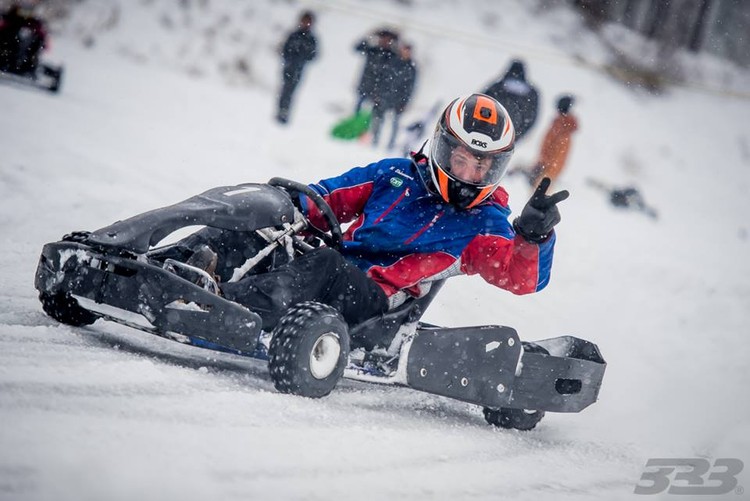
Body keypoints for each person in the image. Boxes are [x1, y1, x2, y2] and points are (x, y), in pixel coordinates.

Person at [181, 94, 569, 351]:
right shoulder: (397, 176)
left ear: (495, 168)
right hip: (322, 272)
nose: (468, 173)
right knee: (262, 226)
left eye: (481, 165)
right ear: (442, 148)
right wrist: (282, 209)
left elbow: (520, 277)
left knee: (327, 265)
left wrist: (534, 235)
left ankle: (219, 308)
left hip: (375, 305)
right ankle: (171, 265)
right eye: (461, 158)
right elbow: (324, 200)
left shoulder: (485, 222)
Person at [370, 42, 418, 150]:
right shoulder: (392, 62)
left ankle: (390, 145)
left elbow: (410, 88)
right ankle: (374, 141)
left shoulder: (411, 68)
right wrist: (377, 93)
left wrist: (404, 102)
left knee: (395, 124)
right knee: (378, 119)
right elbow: (382, 78)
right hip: (385, 96)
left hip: (399, 100)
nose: (406, 53)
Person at [527, 94, 579, 188]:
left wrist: (544, 169)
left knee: (537, 198)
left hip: (546, 172)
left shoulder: (560, 127)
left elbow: (552, 151)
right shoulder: (562, 127)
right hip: (548, 170)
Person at [482, 59, 540, 142]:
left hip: (488, 131)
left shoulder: (497, 87)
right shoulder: (531, 94)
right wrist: (515, 137)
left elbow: (479, 103)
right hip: (509, 136)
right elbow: (531, 119)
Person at [276, 11, 317, 124]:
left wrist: (302, 56)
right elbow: (284, 50)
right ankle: (281, 110)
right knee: (285, 90)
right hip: (289, 67)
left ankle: (285, 111)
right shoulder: (294, 35)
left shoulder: (310, 38)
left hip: (299, 69)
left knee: (291, 91)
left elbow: (313, 55)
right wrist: (291, 57)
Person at [353, 29, 399, 114]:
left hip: (379, 91)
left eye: (388, 40)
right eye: (383, 39)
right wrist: (369, 36)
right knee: (357, 113)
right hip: (365, 86)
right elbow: (357, 48)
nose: (385, 42)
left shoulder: (392, 55)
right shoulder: (372, 50)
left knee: (375, 116)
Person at [0, 3, 47, 75]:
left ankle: (28, 63)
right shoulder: (11, 18)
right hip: (6, 55)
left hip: (27, 60)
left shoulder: (35, 23)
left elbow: (42, 38)